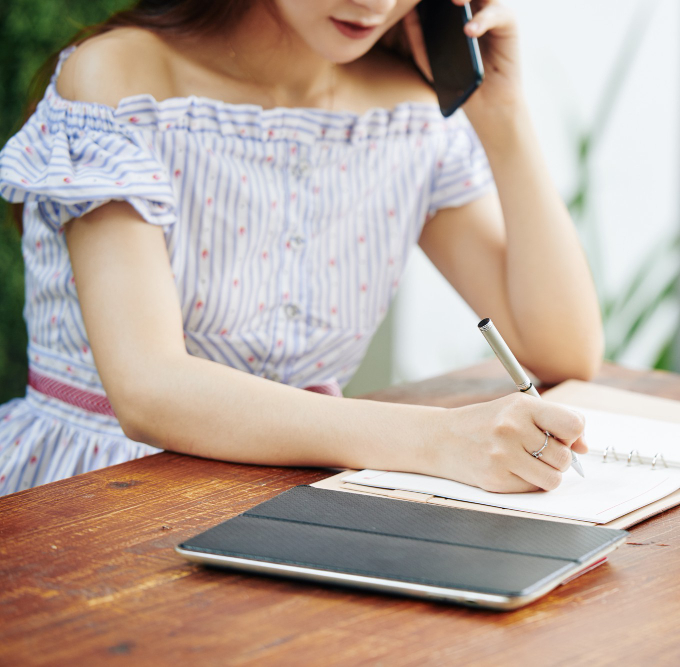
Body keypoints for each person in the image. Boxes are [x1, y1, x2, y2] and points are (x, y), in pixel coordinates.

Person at [0, 0, 604, 497]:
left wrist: (503, 116)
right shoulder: (121, 81)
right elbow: (149, 391)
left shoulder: (405, 115)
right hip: (90, 496)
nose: (377, 4)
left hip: (287, 494)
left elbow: (561, 349)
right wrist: (441, 440)